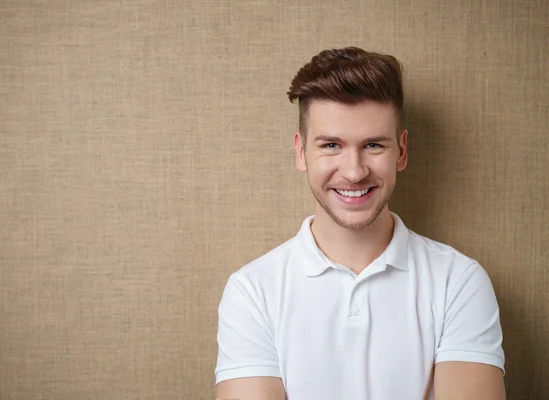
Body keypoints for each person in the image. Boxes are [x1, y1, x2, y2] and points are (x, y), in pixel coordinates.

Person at [214, 46, 505, 400]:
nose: (354, 172)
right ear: (301, 152)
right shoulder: (252, 293)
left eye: (373, 145)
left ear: (401, 151)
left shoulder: (459, 283)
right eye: (332, 145)